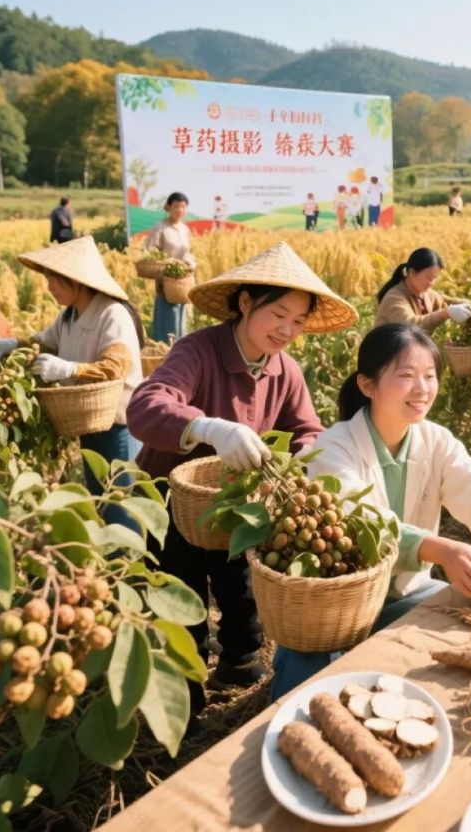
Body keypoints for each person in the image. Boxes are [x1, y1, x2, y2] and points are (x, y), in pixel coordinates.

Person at [126, 242, 357, 706]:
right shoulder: (199, 351)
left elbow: (306, 429)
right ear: (247, 303)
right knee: (182, 603)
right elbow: (146, 406)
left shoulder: (285, 370)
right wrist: (207, 428)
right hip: (172, 505)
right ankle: (185, 704)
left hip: (238, 505)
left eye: (298, 321)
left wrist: (308, 456)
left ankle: (238, 669)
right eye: (279, 315)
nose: (287, 330)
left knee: (241, 592)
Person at [271, 322, 471, 697]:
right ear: (367, 385)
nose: (422, 388)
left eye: (430, 376)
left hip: (405, 592)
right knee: (309, 686)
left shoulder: (436, 441)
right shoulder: (333, 448)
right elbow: (357, 521)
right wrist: (439, 549)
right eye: (406, 376)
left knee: (466, 632)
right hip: (339, 601)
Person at [0, 236, 145, 509]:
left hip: (118, 423)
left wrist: (69, 369)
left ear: (76, 280)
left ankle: (127, 539)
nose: (49, 287)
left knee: (122, 500)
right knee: (100, 498)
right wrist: (13, 345)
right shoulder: (69, 316)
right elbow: (44, 342)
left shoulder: (112, 314)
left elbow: (117, 366)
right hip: (88, 419)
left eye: (54, 279)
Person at [374, 247, 471, 332]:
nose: (432, 283)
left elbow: (444, 301)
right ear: (412, 273)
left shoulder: (427, 294)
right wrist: (446, 313)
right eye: (429, 278)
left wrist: (470, 305)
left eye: (435, 278)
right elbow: (410, 326)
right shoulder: (394, 297)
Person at [144, 192, 195, 343]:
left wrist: (190, 262)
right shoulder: (161, 227)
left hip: (182, 282)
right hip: (166, 281)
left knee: (181, 318)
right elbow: (150, 251)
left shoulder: (185, 229)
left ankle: (180, 349)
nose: (180, 210)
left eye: (183, 207)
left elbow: (187, 252)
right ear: (168, 207)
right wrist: (168, 262)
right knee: (167, 318)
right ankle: (164, 350)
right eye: (176, 206)